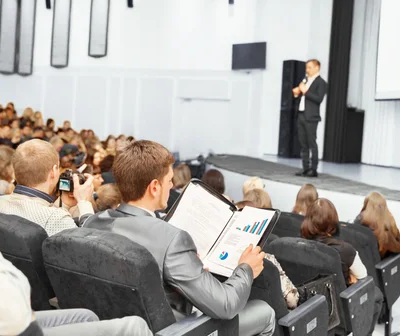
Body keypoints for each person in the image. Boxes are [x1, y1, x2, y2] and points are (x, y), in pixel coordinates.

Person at [84, 140, 276, 336]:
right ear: (154, 187)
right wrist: (246, 269)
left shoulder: (92, 223)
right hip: (174, 329)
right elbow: (225, 305)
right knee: (266, 313)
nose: (172, 185)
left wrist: (190, 264)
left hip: (113, 324)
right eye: (169, 180)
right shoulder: (172, 239)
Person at [0, 204, 152, 336]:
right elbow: (11, 310)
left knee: (86, 316)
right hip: (9, 320)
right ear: (53, 172)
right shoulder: (55, 216)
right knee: (134, 326)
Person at [301, 198, 383, 336]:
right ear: (333, 221)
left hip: (308, 305)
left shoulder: (297, 245)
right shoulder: (345, 250)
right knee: (376, 294)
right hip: (340, 312)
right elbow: (364, 278)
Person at [0, 139, 95, 237]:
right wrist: (84, 203)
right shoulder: (55, 219)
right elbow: (90, 246)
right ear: (53, 171)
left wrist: (65, 205)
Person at [292, 59, 327, 177]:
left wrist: (305, 91)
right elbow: (303, 98)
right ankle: (305, 168)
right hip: (301, 114)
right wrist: (297, 94)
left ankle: (313, 169)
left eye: (310, 67)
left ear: (317, 67)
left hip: (311, 116)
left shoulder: (321, 82)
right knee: (303, 143)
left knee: (312, 142)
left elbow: (318, 99)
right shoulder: (306, 80)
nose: (307, 70)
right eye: (306, 67)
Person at [356, 192, 400, 259]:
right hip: (381, 261)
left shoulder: (361, 219)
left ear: (367, 205)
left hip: (366, 261)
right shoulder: (390, 222)